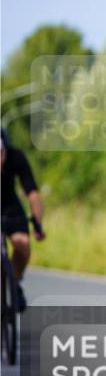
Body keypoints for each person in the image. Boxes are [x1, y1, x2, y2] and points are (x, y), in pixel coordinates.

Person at [1, 128, 45, 310]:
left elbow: (32, 193)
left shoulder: (16, 157)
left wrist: (37, 223)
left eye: (1, 153)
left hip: (10, 206)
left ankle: (14, 281)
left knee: (23, 243)